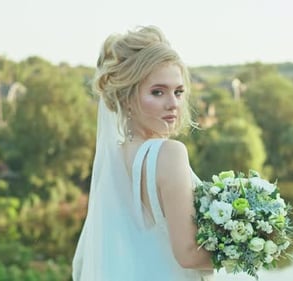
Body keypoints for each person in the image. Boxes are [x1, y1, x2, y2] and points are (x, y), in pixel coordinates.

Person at [72, 25, 214, 281]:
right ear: (127, 98)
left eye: (178, 92)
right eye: (157, 92)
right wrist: (252, 244)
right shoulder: (169, 153)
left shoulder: (116, 157)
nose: (173, 103)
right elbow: (189, 255)